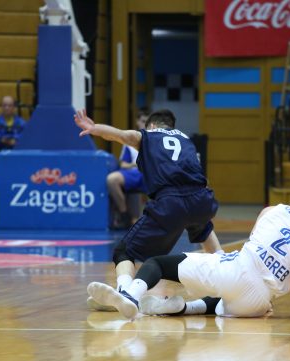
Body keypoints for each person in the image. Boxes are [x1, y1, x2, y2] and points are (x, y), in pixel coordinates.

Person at [86, 181, 290, 320]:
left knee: (158, 264)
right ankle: (183, 308)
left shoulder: (272, 210)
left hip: (236, 270)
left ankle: (131, 296)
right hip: (258, 302)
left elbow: (256, 242)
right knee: (226, 299)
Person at [74, 108, 222, 310]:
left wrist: (95, 128)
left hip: (171, 202)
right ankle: (228, 277)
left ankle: (124, 293)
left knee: (123, 251)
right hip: (202, 199)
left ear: (151, 125)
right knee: (204, 230)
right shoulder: (186, 140)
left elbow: (122, 135)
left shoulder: (149, 135)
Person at [108, 109, 148, 229]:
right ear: (137, 122)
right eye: (143, 121)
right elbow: (124, 165)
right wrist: (135, 165)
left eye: (148, 122)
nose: (145, 124)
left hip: (150, 174)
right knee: (112, 180)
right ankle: (125, 215)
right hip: (134, 173)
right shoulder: (129, 141)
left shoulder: (157, 140)